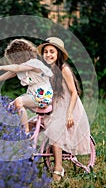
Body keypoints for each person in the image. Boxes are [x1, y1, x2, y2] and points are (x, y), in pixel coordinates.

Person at [37, 37, 91, 181]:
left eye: (52, 52)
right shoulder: (47, 69)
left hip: (68, 105)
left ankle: (58, 167)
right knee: (35, 123)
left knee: (55, 129)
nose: (48, 54)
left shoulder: (64, 69)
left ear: (58, 54)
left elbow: (74, 92)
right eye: (46, 52)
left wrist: (69, 114)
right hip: (55, 105)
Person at [0, 39, 53, 133]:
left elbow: (17, 68)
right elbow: (13, 72)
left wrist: (0, 67)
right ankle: (3, 128)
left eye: (14, 59)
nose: (13, 62)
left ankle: (25, 131)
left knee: (18, 102)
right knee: (11, 106)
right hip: (34, 95)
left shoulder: (34, 63)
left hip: (43, 96)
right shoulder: (26, 65)